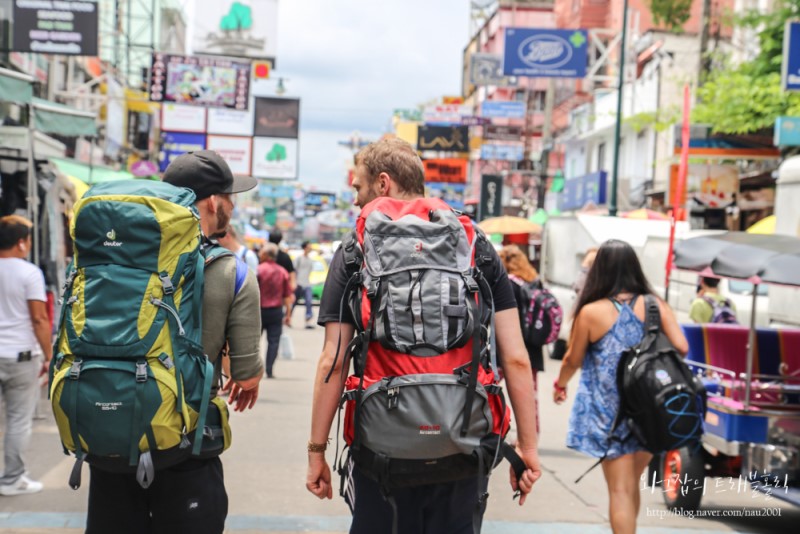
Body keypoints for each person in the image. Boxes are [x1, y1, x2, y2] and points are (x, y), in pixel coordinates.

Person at [306, 137, 541, 532]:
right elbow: (516, 357)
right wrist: (528, 447)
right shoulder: (475, 244)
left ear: (383, 184)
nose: (354, 202)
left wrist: (316, 452)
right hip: (462, 442)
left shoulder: (354, 250)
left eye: (358, 189)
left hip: (380, 446)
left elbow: (334, 359)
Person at [85, 150, 264, 534]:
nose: (232, 205)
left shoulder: (110, 261)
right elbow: (246, 377)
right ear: (213, 201)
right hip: (186, 446)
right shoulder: (231, 270)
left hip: (109, 437)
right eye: (230, 196)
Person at [553, 239, 688, 534]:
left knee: (620, 491)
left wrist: (560, 385)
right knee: (629, 486)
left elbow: (572, 360)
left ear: (600, 270)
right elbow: (681, 346)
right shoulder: (655, 305)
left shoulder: (591, 311)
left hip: (610, 413)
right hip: (650, 409)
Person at [0, 215, 52, 496]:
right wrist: (48, 355)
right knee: (18, 420)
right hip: (20, 356)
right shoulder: (29, 273)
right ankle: (11, 480)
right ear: (21, 243)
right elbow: (39, 318)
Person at [499, 244, 543, 434]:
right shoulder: (533, 282)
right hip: (533, 346)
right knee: (528, 394)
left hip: (510, 345)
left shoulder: (508, 284)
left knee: (488, 387)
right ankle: (532, 432)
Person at [257, 243, 293, 378]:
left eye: (261, 253)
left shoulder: (258, 270)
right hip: (276, 311)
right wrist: (288, 314)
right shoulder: (282, 272)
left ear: (266, 255)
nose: (260, 255)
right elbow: (287, 296)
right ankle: (269, 369)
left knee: (254, 342)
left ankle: (254, 368)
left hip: (258, 311)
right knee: (273, 342)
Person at [293, 241, 315, 329]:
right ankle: (287, 318)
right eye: (309, 246)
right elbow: (294, 271)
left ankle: (307, 321)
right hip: (298, 283)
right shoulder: (299, 259)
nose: (311, 248)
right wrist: (294, 282)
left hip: (307, 284)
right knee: (293, 302)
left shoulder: (310, 260)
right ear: (305, 247)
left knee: (309, 302)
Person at [268, 228, 296, 294]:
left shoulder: (263, 256)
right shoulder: (285, 256)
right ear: (280, 240)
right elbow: (291, 273)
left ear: (269, 239)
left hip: (265, 291)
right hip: (281, 291)